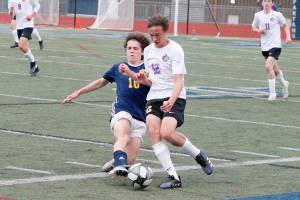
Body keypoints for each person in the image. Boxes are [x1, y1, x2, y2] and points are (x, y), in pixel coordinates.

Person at [120, 15, 213, 189]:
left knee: (167, 133)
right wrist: (135, 76)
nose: (154, 39)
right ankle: (174, 177)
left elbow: (179, 81)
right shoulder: (147, 51)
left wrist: (171, 100)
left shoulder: (175, 50)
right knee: (154, 133)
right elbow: (149, 80)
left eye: (157, 35)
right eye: (151, 35)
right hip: (153, 97)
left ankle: (199, 155)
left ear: (165, 31)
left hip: (174, 96)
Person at [62, 32, 150, 176]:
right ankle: (120, 164)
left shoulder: (148, 69)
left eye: (135, 48)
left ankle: (117, 161)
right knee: (123, 136)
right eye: (129, 48)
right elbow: (101, 82)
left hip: (140, 117)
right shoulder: (118, 68)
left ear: (142, 52)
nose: (132, 51)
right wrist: (79, 92)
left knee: (131, 159)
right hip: (122, 111)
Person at [252, 0, 291, 101]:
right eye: (265, 1)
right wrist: (258, 30)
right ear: (262, 3)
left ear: (272, 4)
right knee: (274, 69)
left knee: (268, 65)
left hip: (276, 45)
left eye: (269, 1)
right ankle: (284, 84)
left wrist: (288, 36)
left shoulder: (277, 14)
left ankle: (272, 93)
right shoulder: (258, 15)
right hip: (264, 46)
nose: (267, 3)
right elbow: (253, 26)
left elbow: (285, 25)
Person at [8, 0, 41, 76]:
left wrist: (31, 16)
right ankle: (34, 66)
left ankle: (33, 64)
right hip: (19, 26)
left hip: (28, 24)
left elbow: (38, 6)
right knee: (23, 47)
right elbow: (11, 14)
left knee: (21, 45)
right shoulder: (11, 0)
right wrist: (11, 11)